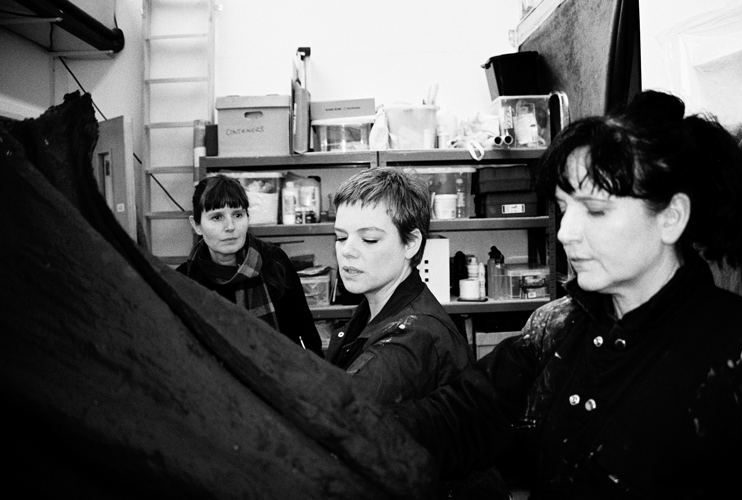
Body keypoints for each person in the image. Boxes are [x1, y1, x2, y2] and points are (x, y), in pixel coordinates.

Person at [392, 90, 742, 499]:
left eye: (596, 210)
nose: (566, 233)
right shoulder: (557, 328)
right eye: (563, 207)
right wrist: (335, 425)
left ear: (670, 218)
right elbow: (460, 417)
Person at [326, 167, 509, 499]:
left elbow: (339, 427)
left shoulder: (410, 339)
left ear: (411, 243)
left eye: (368, 238)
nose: (347, 251)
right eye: (340, 237)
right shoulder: (374, 306)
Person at [176, 174, 323, 357]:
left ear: (247, 217)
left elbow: (306, 332)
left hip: (279, 375)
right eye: (217, 217)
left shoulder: (274, 262)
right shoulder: (185, 279)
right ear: (197, 225)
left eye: (238, 214)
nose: (230, 227)